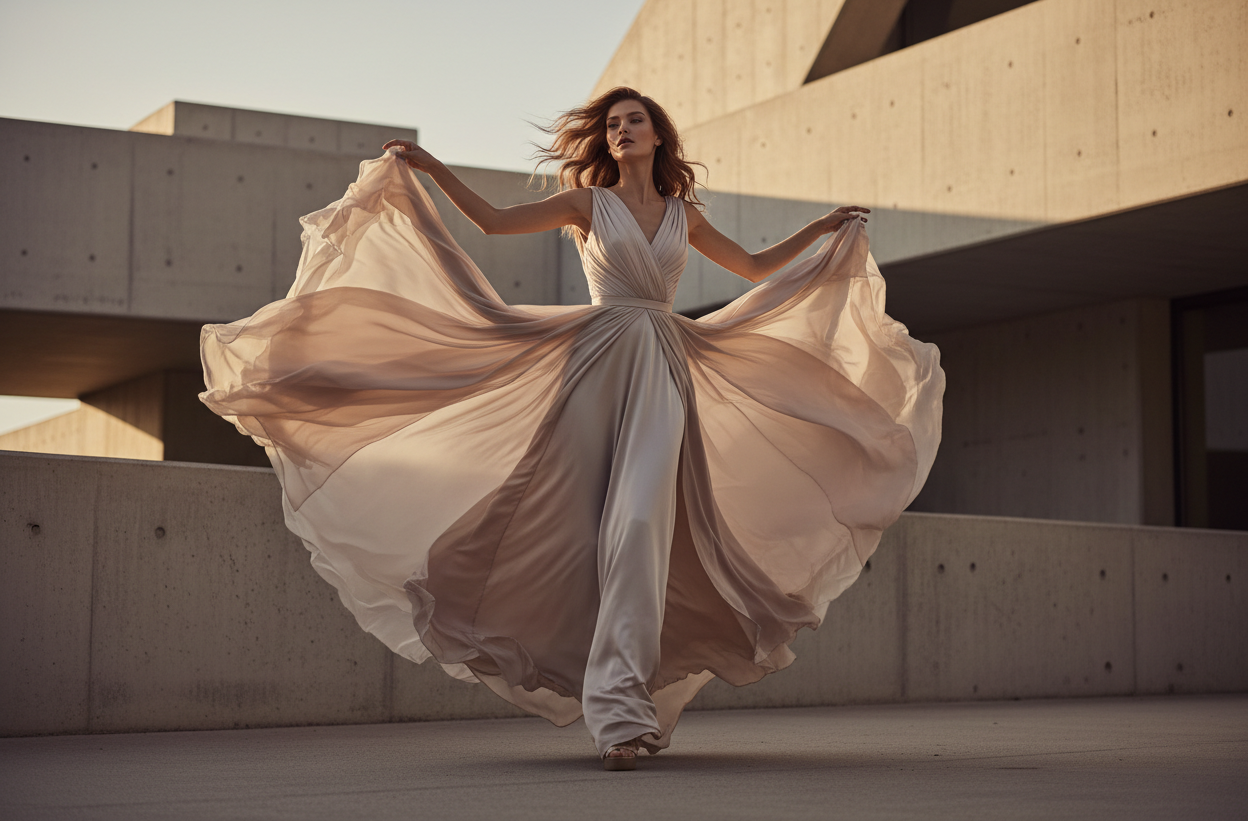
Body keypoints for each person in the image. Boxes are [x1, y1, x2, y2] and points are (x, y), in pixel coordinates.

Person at [199, 87, 944, 772]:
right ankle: (620, 707)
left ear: (658, 136)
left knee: (644, 524)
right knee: (583, 532)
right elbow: (491, 221)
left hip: (664, 369)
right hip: (593, 370)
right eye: (612, 124)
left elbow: (752, 269)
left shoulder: (685, 216)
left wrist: (820, 231)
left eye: (633, 122)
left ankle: (621, 715)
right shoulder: (587, 204)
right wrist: (428, 169)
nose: (621, 131)